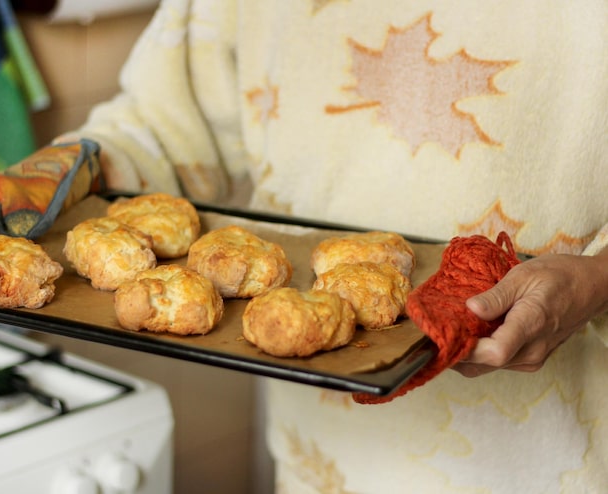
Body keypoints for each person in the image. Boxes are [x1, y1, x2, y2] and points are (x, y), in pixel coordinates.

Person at [31, 1, 608, 491]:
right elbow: (167, 120)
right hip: (323, 457)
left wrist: (600, 278)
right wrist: (65, 171)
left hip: (558, 458)